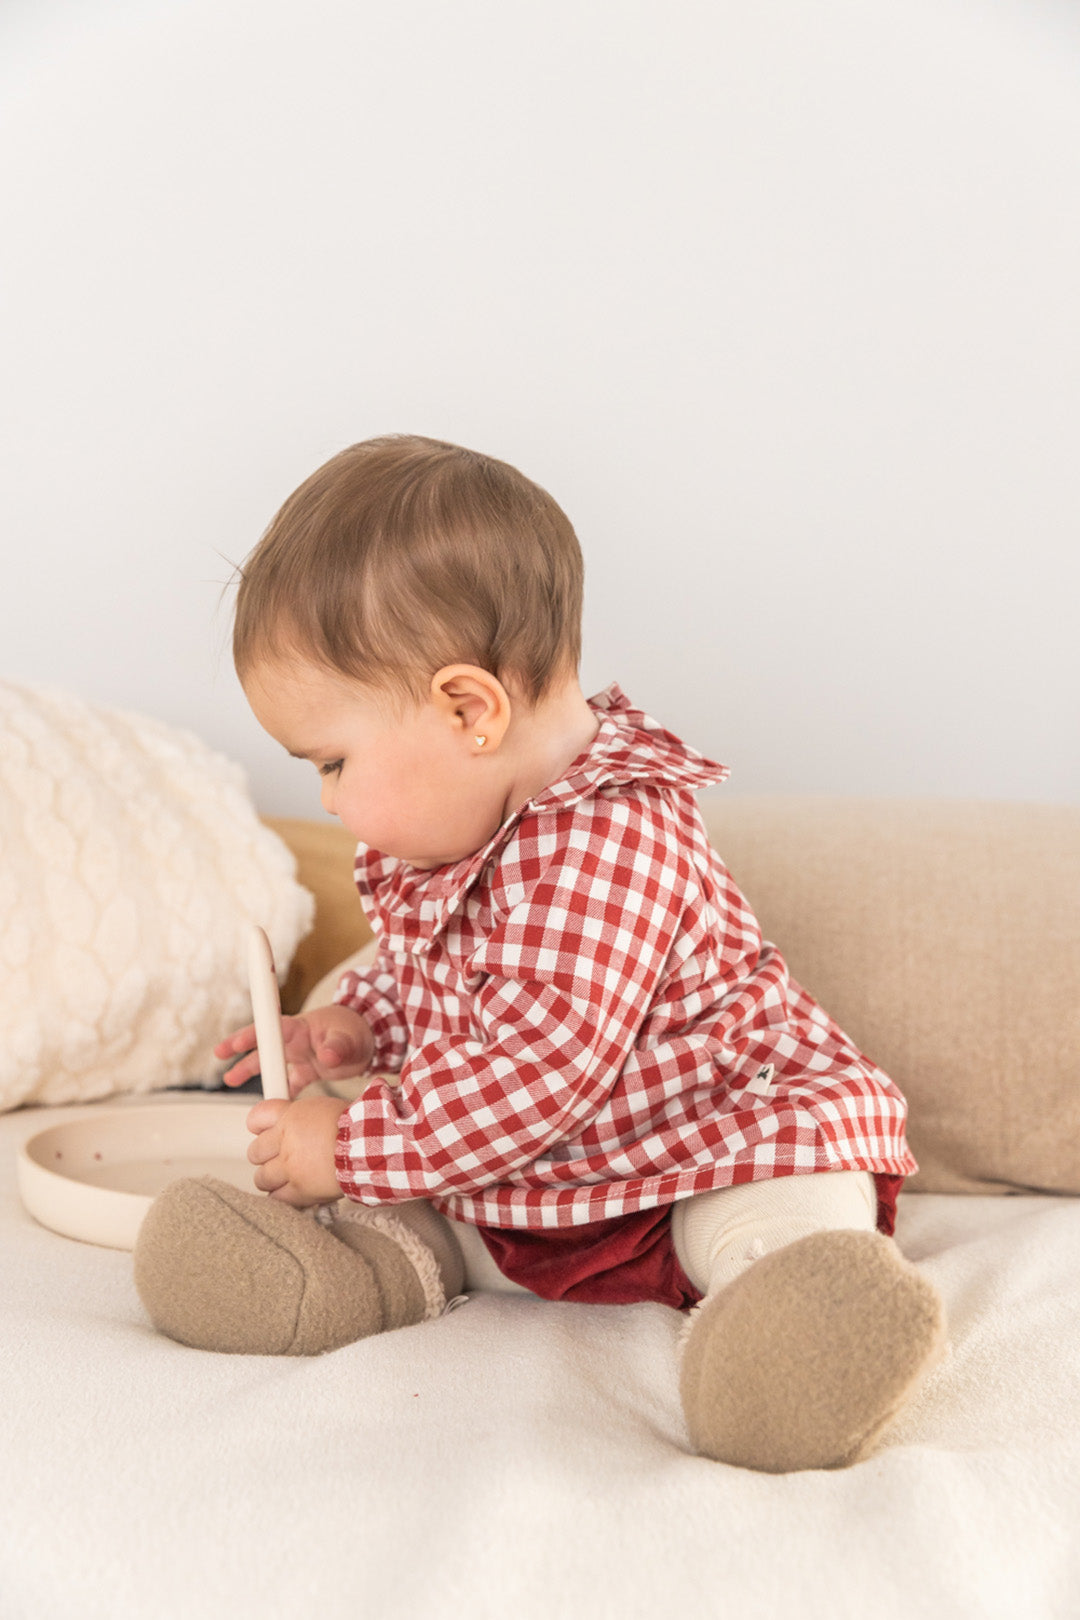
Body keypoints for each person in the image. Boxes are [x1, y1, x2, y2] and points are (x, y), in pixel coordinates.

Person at [133, 434, 945, 1472]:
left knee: (772, 1211)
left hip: (709, 1140)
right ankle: (351, 1277)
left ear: (470, 709)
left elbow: (536, 1063)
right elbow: (441, 968)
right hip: (547, 1181)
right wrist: (356, 1025)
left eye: (333, 760)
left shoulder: (612, 841)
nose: (327, 799)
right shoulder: (467, 832)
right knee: (417, 1210)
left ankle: (796, 1328)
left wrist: (344, 1150)